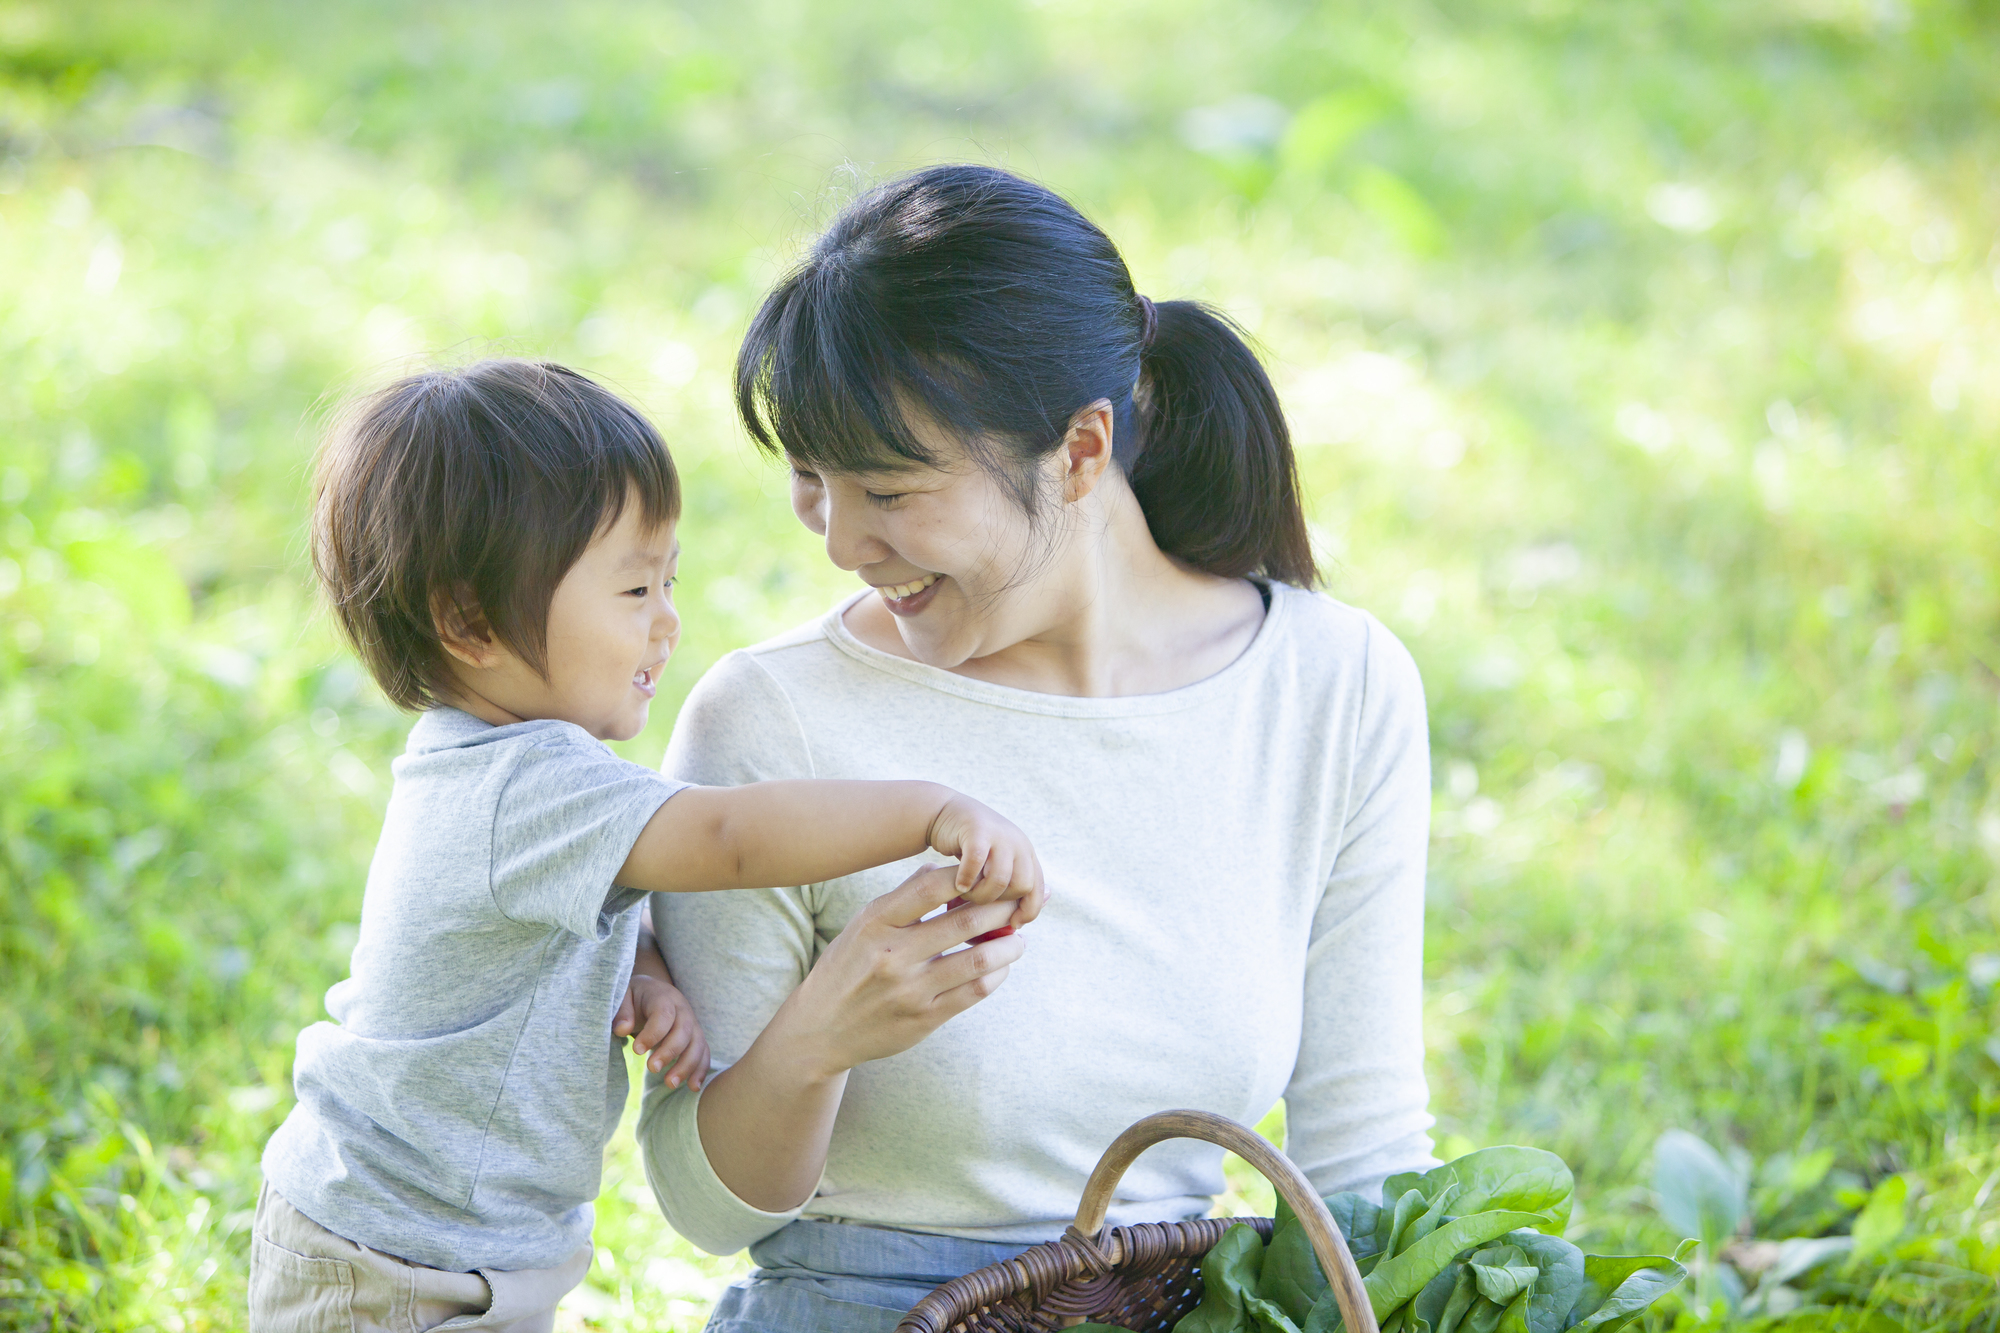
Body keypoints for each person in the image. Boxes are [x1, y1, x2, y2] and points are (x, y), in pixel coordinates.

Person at [640, 164, 1438, 1333]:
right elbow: (704, 1207)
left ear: (1078, 450)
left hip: (1168, 1298)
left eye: (891, 491)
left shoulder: (1331, 684)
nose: (842, 542)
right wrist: (820, 1038)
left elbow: (1362, 1151)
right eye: (812, 483)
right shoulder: (771, 724)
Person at [253, 359, 1043, 1333]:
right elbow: (727, 834)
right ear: (467, 621)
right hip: (393, 1263)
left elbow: (530, 938)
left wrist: (643, 973)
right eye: (633, 588)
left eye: (668, 580)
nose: (666, 622)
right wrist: (929, 808)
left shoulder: (511, 772)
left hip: (459, 1245)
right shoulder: (525, 783)